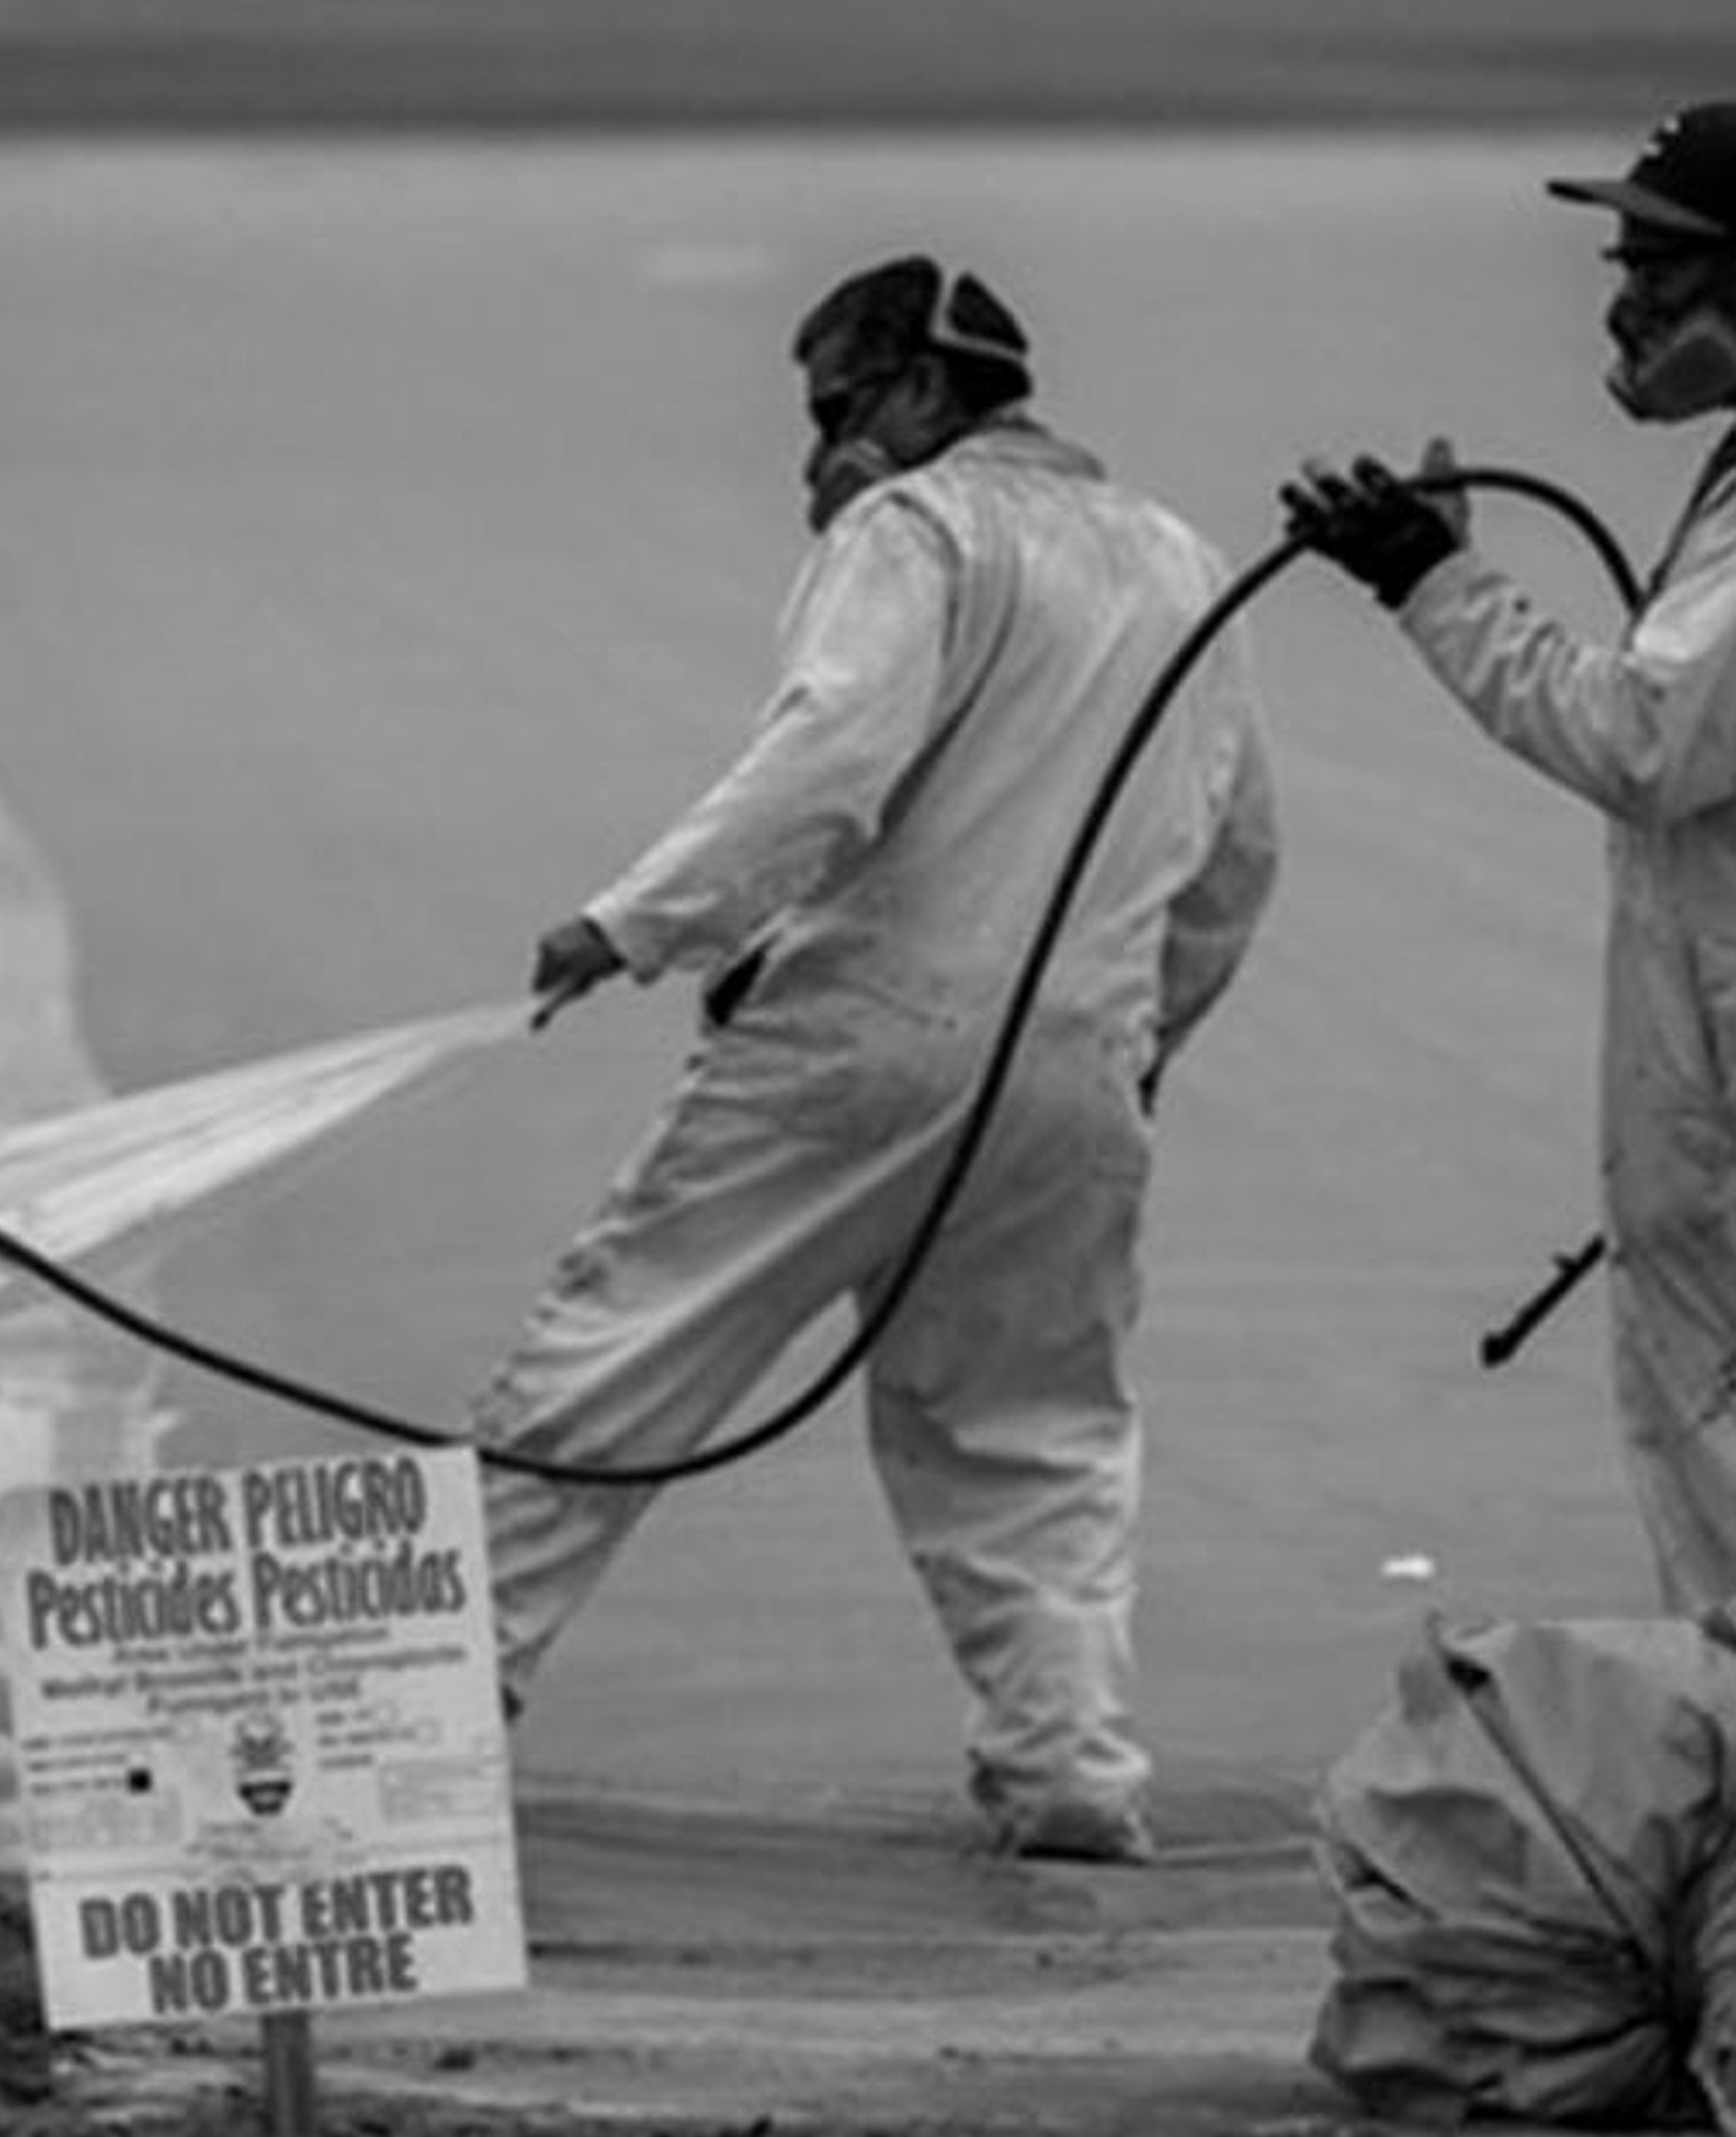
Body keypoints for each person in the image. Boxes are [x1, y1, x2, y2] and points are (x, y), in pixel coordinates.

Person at [472, 255, 1280, 1860]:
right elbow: (1234, 854)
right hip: (1072, 1077)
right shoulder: (1179, 556)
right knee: (1032, 1428)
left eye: (837, 411)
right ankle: (1070, 1775)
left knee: (613, 1366)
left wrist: (631, 925)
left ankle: (422, 1718)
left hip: (862, 1046)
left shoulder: (915, 529)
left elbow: (829, 755)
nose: (817, 455)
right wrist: (1133, 1047)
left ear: (922, 394)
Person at [1285, 100, 1736, 1622]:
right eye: (1629, 261)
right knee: (1734, 1410)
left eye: (1670, 268)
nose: (1630, 304)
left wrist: (1432, 582)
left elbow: (1647, 743)